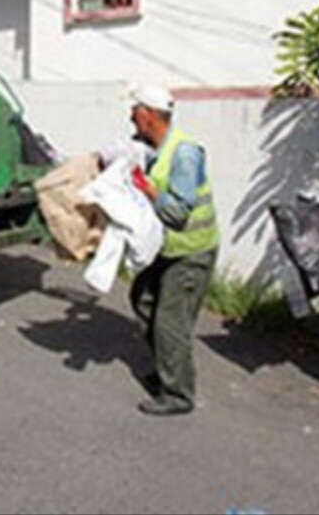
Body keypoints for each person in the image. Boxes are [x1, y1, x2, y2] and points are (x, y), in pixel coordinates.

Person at [99, 84, 220, 416]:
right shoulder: (150, 146)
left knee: (170, 322)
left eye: (134, 110)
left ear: (148, 114)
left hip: (191, 251)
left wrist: (149, 190)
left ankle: (179, 393)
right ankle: (170, 366)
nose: (130, 116)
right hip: (167, 250)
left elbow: (179, 212)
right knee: (143, 299)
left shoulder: (184, 153)